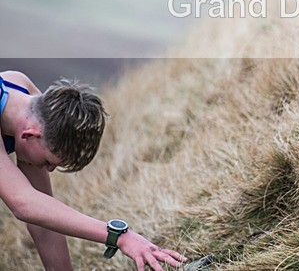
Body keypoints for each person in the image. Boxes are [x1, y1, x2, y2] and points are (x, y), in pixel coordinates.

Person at [0, 70, 187, 271]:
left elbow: (43, 221)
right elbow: (24, 203)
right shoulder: (30, 121)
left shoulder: (20, 87)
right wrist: (119, 237)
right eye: (48, 161)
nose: (49, 169)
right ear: (29, 135)